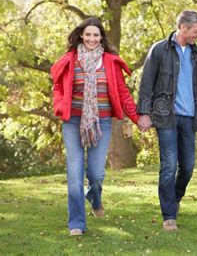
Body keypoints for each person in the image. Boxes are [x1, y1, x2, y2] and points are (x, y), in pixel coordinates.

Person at [51, 17, 140, 236]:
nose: (92, 38)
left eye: (96, 35)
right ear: (81, 35)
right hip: (73, 122)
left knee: (96, 173)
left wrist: (138, 118)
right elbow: (58, 88)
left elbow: (122, 93)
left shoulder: (109, 61)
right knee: (74, 173)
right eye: (88, 34)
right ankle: (76, 223)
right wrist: (60, 107)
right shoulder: (70, 60)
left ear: (101, 37)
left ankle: (94, 195)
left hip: (102, 122)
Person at [137, 10, 197, 231]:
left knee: (188, 167)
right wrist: (144, 112)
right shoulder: (159, 50)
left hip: (190, 118)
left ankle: (175, 197)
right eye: (196, 31)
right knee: (169, 165)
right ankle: (169, 215)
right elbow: (146, 84)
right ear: (182, 27)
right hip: (165, 117)